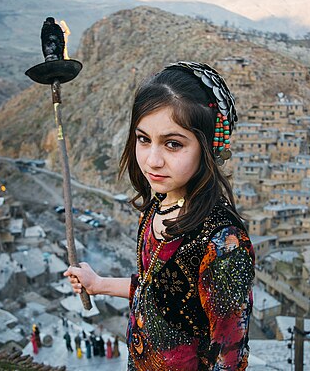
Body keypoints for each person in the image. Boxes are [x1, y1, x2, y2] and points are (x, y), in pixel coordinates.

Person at [65, 61, 255, 370]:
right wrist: (97, 283)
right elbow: (155, 290)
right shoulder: (157, 208)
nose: (153, 160)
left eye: (173, 144)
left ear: (207, 146)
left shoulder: (223, 244)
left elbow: (228, 357)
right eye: (143, 139)